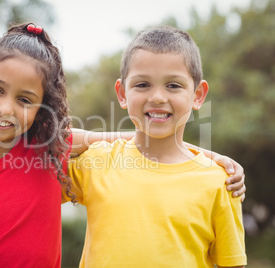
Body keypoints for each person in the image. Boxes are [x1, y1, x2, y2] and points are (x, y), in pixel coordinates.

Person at [0, 23, 246, 266]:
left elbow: (131, 138)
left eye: (25, 99)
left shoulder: (48, 154)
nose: (6, 108)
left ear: (43, 109)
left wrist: (207, 157)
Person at [64, 25, 247, 267]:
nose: (158, 97)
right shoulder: (97, 161)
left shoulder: (220, 182)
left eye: (173, 85)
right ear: (122, 93)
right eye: (142, 85)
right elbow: (49, 140)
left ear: (198, 94)